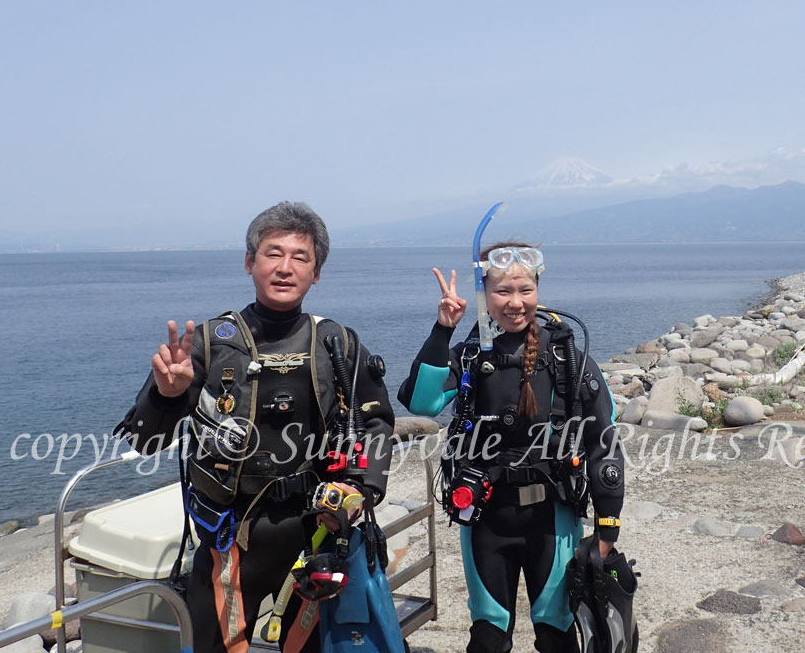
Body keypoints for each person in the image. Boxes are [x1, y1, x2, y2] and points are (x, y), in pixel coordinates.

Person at [116, 202, 395, 653]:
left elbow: (376, 421)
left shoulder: (337, 343)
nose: (285, 268)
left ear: (316, 273)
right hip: (228, 537)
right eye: (272, 253)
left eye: (300, 257)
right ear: (250, 262)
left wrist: (363, 486)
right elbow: (146, 440)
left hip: (313, 530)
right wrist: (167, 395)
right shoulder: (208, 343)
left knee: (306, 646)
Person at [398, 241, 626, 653]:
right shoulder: (469, 356)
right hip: (485, 516)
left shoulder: (567, 358)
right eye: (502, 291)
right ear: (484, 294)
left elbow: (603, 443)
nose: (515, 303)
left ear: (538, 289)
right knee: (488, 632)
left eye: (525, 290)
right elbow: (419, 402)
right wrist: (443, 328)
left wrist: (607, 526)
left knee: (556, 631)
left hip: (552, 517)